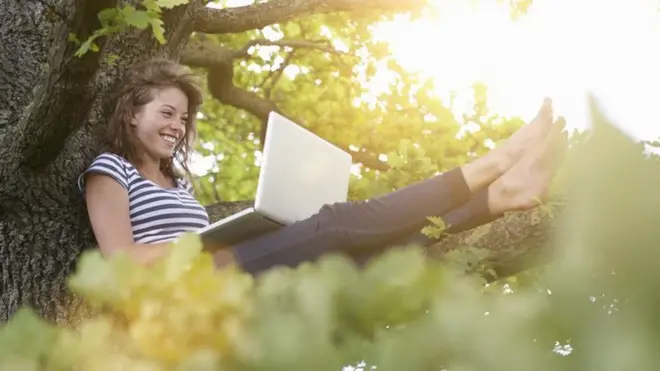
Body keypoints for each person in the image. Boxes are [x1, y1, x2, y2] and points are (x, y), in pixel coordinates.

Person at [78, 59, 567, 275]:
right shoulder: (110, 170)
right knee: (336, 222)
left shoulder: (180, 186)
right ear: (131, 113)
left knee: (362, 258)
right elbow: (121, 263)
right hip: (186, 286)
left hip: (224, 274)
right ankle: (496, 162)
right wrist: (193, 249)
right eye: (166, 113)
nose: (177, 127)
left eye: (183, 119)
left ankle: (497, 199)